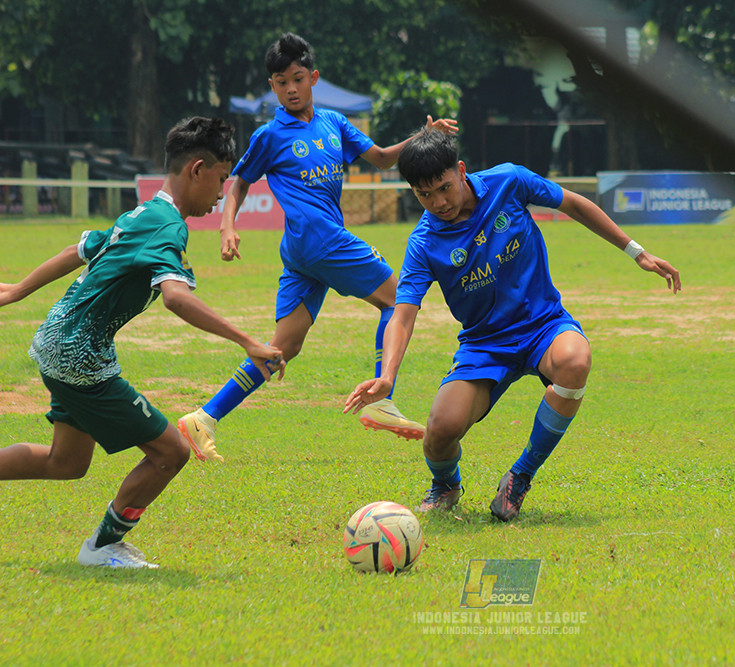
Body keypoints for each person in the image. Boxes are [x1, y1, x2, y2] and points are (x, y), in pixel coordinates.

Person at [344, 128, 680, 521]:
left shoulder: (509, 181)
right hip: (484, 345)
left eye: (444, 188)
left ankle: (520, 477)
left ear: (461, 171)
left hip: (543, 325)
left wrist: (636, 252)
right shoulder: (424, 243)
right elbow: (403, 315)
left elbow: (573, 204)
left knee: (575, 361)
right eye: (425, 195)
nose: (438, 202)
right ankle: (446, 484)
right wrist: (387, 376)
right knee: (440, 431)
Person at [0, 117, 284, 568]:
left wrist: (18, 291)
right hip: (78, 356)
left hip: (57, 340)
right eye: (221, 179)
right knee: (171, 451)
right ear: (197, 169)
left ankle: (102, 547)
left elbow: (79, 250)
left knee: (66, 462)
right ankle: (102, 548)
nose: (221, 193)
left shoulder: (142, 213)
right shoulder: (166, 226)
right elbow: (175, 297)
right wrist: (248, 341)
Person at [178, 32, 457, 461]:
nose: (290, 89)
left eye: (297, 78)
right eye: (281, 82)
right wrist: (226, 227)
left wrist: (424, 135)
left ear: (313, 78)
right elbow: (239, 184)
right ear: (272, 86)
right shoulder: (269, 135)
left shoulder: (335, 123)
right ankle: (382, 398)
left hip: (302, 253)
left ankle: (203, 418)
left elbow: (383, 158)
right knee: (398, 299)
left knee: (283, 347)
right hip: (320, 239)